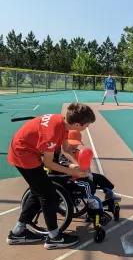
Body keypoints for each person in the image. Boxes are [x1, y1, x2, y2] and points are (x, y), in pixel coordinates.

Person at [7, 102, 96, 249]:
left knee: (39, 191)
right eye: (86, 125)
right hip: (23, 153)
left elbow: (65, 150)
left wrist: (76, 165)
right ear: (78, 125)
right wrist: (71, 171)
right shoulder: (52, 133)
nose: (87, 128)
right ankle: (54, 237)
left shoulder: (62, 122)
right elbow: (49, 163)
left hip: (28, 150)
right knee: (48, 194)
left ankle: (18, 232)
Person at [53, 130, 122, 203]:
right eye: (72, 143)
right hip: (72, 178)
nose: (74, 146)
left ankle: (109, 193)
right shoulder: (63, 154)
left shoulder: (78, 152)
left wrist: (88, 172)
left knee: (100, 177)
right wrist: (75, 166)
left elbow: (86, 163)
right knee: (88, 185)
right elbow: (64, 163)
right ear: (66, 142)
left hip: (83, 174)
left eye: (76, 144)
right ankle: (90, 200)